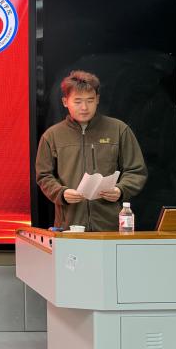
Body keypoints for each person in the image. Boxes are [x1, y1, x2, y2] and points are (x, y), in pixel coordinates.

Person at [35, 70, 147, 231]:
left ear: (97, 100)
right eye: (78, 101)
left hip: (110, 226)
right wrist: (61, 193)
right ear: (65, 102)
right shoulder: (52, 136)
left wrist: (121, 190)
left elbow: (136, 171)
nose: (84, 107)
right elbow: (44, 176)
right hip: (69, 226)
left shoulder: (119, 130)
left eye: (90, 100)